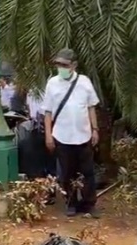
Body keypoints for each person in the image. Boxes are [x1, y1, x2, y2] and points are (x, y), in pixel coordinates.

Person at [43, 48, 100, 218]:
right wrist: (48, 135)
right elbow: (47, 112)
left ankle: (89, 204)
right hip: (62, 136)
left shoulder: (84, 82)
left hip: (84, 135)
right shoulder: (52, 83)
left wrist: (95, 129)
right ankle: (71, 204)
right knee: (67, 173)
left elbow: (91, 107)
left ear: (73, 65)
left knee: (88, 172)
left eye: (64, 64)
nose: (61, 67)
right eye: (58, 64)